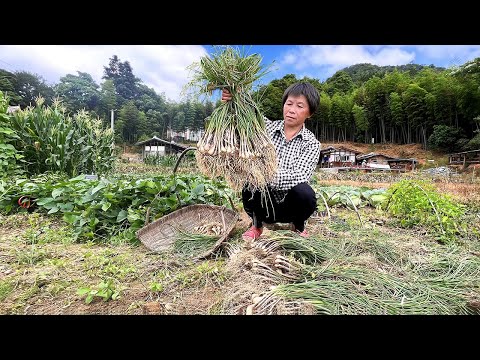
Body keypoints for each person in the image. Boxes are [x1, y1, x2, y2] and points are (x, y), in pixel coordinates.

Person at [221, 82, 321, 241]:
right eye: (289, 104)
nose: (292, 110)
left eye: (300, 106)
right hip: (262, 203)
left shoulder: (311, 143)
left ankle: (298, 225)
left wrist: (265, 173)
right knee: (251, 182)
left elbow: (300, 175)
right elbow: (248, 114)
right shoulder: (265, 127)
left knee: (305, 193)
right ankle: (257, 225)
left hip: (290, 206)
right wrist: (234, 99)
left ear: (310, 113)